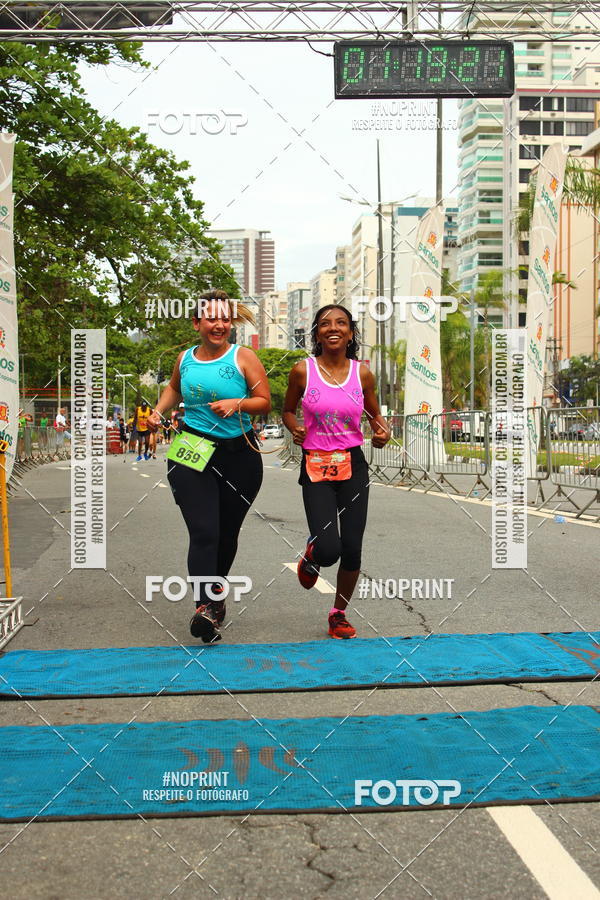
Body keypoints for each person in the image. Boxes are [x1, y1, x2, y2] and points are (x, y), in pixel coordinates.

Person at [148, 289, 271, 643]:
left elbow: (264, 402)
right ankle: (205, 606)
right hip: (193, 447)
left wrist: (238, 403)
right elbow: (174, 390)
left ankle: (215, 602)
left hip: (240, 456)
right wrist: (158, 411)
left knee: (226, 535)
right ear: (197, 323)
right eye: (211, 318)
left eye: (224, 319)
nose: (219, 325)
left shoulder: (243, 357)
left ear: (230, 323)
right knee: (204, 531)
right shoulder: (185, 359)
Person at [283, 304, 390, 639]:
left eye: (341, 323)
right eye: (325, 324)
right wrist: (294, 427)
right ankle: (313, 554)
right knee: (330, 548)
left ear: (351, 333)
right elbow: (287, 410)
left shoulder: (363, 374)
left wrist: (382, 433)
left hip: (352, 464)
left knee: (353, 547)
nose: (333, 328)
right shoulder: (303, 371)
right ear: (316, 333)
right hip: (315, 463)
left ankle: (338, 613)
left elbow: (376, 416)